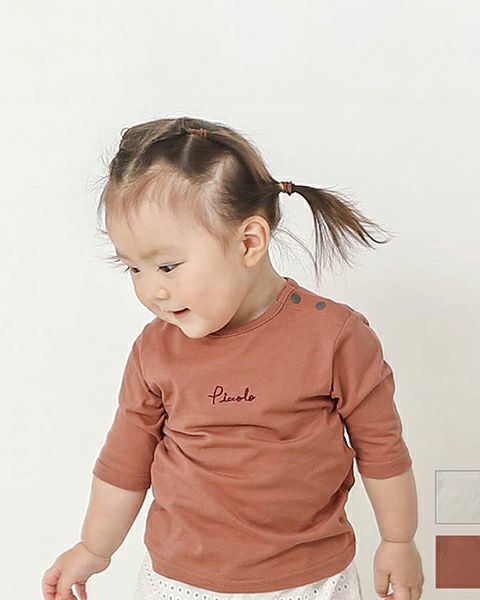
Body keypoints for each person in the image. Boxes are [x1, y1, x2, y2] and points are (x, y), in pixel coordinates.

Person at [41, 117, 424, 600]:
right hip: (179, 584)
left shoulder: (335, 338)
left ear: (248, 242)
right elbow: (125, 462)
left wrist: (397, 541)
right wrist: (94, 548)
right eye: (133, 269)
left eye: (166, 266)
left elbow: (382, 450)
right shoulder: (155, 350)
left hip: (310, 583)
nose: (152, 290)